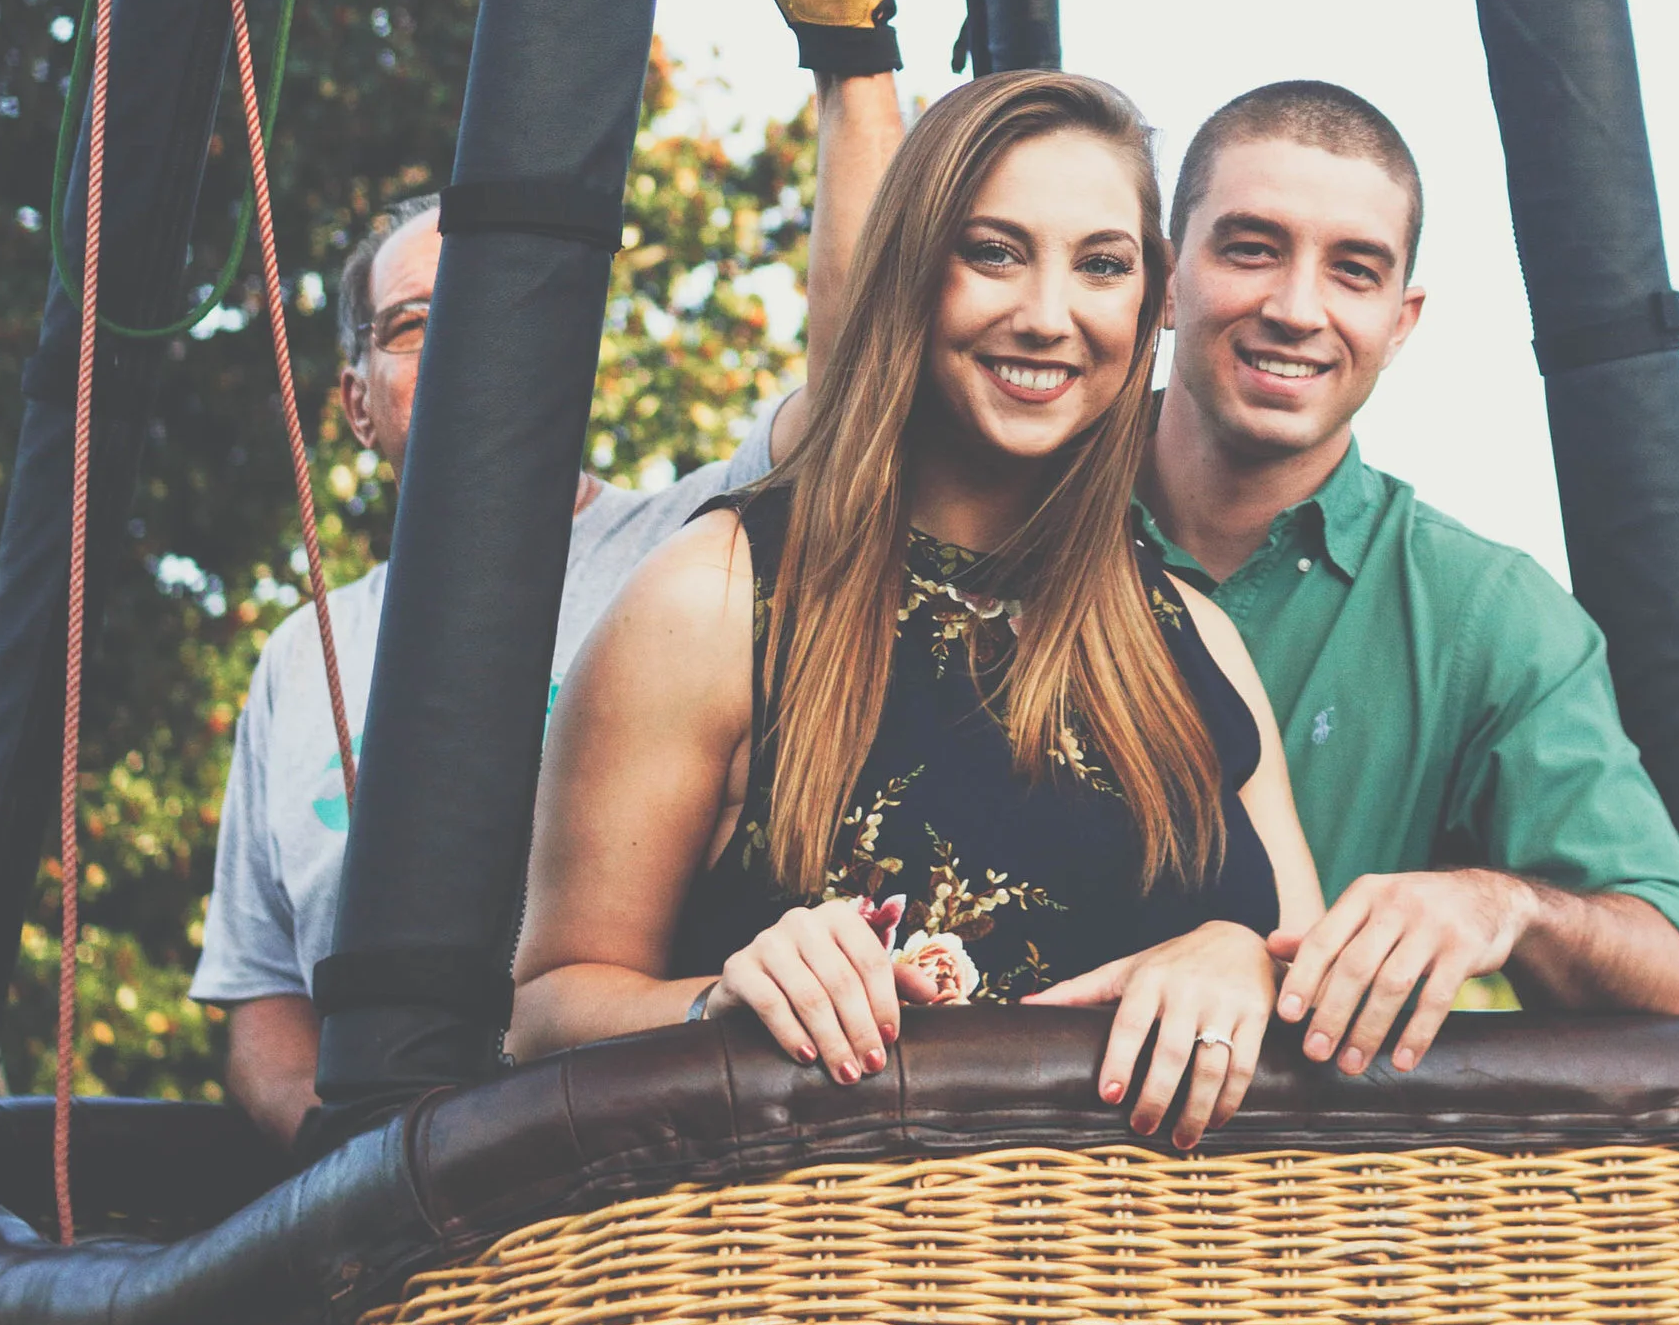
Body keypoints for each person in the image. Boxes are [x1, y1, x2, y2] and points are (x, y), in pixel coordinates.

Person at [759, 0, 1679, 1073]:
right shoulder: (994, 483)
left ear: (1403, 320)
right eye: (1252, 249)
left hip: (1259, 1212)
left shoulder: (1488, 620)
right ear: (1164, 277)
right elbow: (861, 379)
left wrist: (1495, 908)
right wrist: (851, 60)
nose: (1294, 308)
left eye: (1354, 272)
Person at [510, 72, 1323, 1151]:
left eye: (1101, 266)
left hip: (1184, 1304)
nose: (1046, 315)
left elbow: (1308, 991)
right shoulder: (716, 596)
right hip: (842, 1293)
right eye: (993, 252)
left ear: (1152, 301)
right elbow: (543, 1012)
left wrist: (1238, 957)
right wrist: (721, 1003)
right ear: (909, 270)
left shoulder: (1192, 633)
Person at [190, 133, 867, 1143]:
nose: (462, 339)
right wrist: (338, 1163)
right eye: (415, 322)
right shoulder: (300, 655)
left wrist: (850, 58)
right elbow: (265, 1002)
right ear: (357, 402)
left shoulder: (692, 544)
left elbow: (859, 385)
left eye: (491, 304)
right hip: (382, 1215)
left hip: (647, 1162)